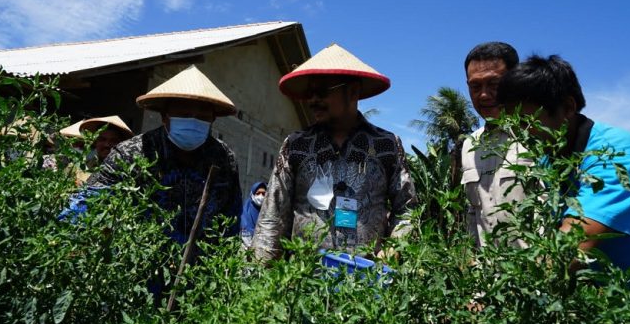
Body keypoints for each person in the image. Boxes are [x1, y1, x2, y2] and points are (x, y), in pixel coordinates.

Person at [497, 54, 630, 284]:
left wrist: (504, 292)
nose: (520, 133)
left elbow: (569, 248)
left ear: (568, 107)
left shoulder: (618, 156)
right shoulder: (551, 160)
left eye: (528, 121)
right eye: (514, 123)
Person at [251, 43, 417, 262]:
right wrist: (262, 272)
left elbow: (407, 209)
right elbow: (272, 216)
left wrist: (393, 250)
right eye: (310, 93)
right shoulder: (296, 145)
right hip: (305, 274)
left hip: (368, 276)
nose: (313, 100)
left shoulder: (385, 145)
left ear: (353, 91)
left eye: (322, 92)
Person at [82, 65, 242, 245]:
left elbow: (232, 216)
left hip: (201, 257)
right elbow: (88, 203)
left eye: (202, 117)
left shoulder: (224, 158)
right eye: (184, 115)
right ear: (165, 117)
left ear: (213, 119)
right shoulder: (131, 153)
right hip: (138, 254)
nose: (193, 121)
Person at [461, 42, 531, 248]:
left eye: (494, 84)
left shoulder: (539, 135)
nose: (483, 94)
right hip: (487, 268)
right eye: (475, 86)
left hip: (538, 266)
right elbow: (474, 214)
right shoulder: (470, 144)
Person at [240, 182, 267, 248]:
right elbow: (245, 228)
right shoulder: (246, 211)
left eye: (263, 194)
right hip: (247, 247)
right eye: (258, 193)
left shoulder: (268, 211)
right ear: (252, 194)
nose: (261, 196)